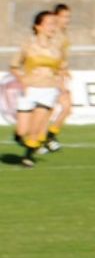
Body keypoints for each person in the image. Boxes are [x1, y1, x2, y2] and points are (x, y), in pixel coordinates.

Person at [9, 11, 65, 167]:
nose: (53, 27)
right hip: (29, 90)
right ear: (38, 26)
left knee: (36, 129)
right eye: (49, 24)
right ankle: (21, 139)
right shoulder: (28, 45)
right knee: (22, 132)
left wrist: (61, 86)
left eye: (54, 24)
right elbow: (14, 66)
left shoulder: (57, 48)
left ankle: (27, 158)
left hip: (48, 91)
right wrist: (22, 81)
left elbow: (60, 69)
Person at [45, 3, 72, 152]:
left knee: (61, 108)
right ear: (56, 16)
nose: (67, 20)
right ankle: (47, 137)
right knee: (64, 107)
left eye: (69, 17)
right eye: (64, 16)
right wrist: (60, 76)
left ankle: (47, 137)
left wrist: (66, 69)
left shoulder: (63, 33)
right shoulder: (54, 34)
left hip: (59, 74)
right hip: (52, 76)